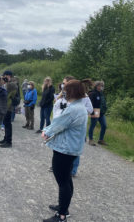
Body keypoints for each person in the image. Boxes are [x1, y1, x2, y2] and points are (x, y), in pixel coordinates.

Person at [42, 80, 88, 222]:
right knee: (66, 179)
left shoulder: (74, 109)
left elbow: (59, 124)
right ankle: (63, 207)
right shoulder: (79, 106)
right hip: (70, 148)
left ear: (72, 91)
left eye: (66, 90)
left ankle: (61, 216)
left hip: (65, 149)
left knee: (62, 181)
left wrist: (46, 131)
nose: (64, 92)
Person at [0, 70, 18, 148]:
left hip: (9, 106)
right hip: (5, 106)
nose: (3, 77)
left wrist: (7, 82)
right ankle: (5, 138)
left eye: (4, 76)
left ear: (8, 76)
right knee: (5, 123)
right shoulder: (7, 83)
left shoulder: (12, 83)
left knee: (8, 124)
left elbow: (9, 91)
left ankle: (9, 141)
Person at [88, 81, 108, 146]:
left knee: (104, 125)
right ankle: (90, 139)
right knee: (93, 125)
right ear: (96, 86)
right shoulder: (92, 93)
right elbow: (90, 103)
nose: (100, 87)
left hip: (101, 112)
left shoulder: (101, 93)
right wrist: (92, 112)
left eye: (101, 86)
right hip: (95, 110)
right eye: (99, 86)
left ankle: (100, 140)